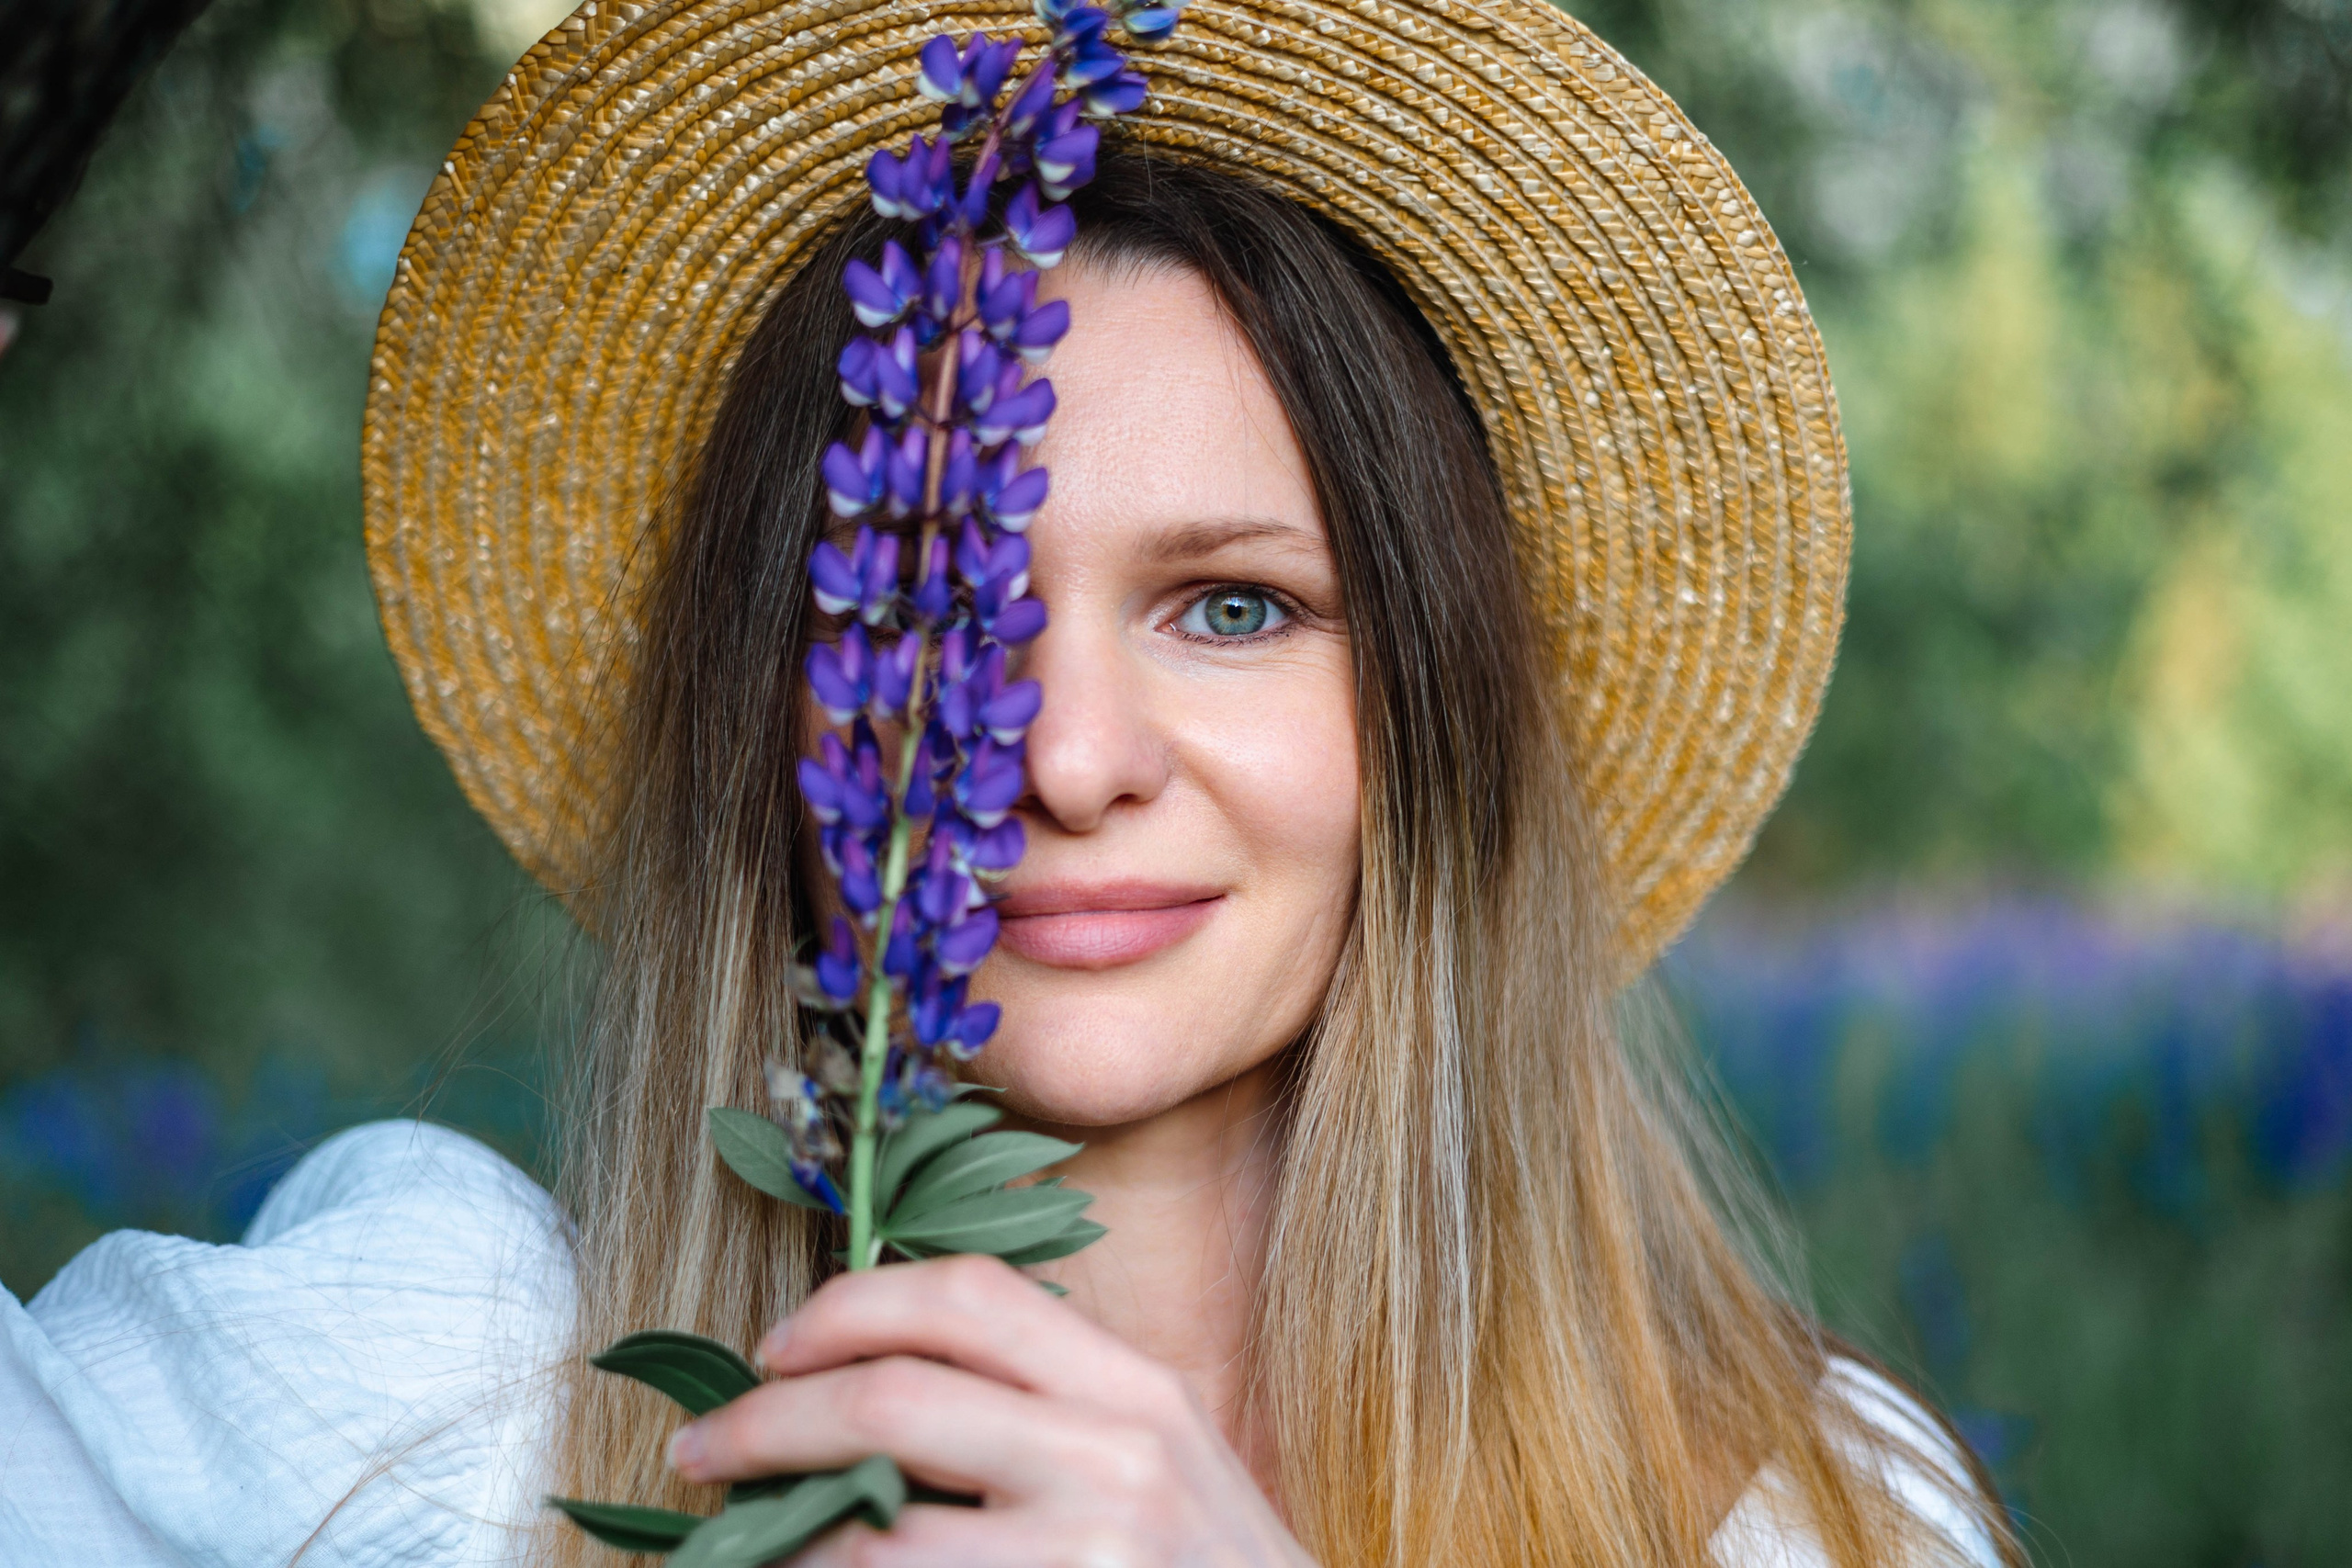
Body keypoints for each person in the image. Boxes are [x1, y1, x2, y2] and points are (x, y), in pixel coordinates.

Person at [2, 2, 2018, 1565]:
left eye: (1232, 607)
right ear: (774, 713)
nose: (1056, 756)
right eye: (926, 610)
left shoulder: (1790, 1506)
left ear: (1430, 710)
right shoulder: (447, 1399)